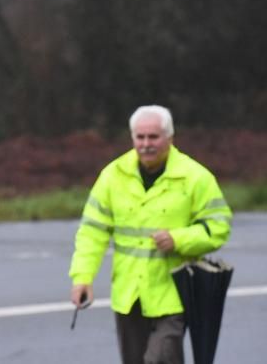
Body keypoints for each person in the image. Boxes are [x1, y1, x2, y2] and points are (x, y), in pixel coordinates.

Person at [68, 105, 232, 364]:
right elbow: (92, 232)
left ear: (170, 138)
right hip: (129, 295)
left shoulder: (195, 177)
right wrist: (82, 278)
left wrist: (179, 239)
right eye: (140, 137)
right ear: (132, 138)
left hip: (174, 294)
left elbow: (219, 227)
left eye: (153, 137)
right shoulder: (113, 176)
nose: (146, 144)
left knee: (160, 359)